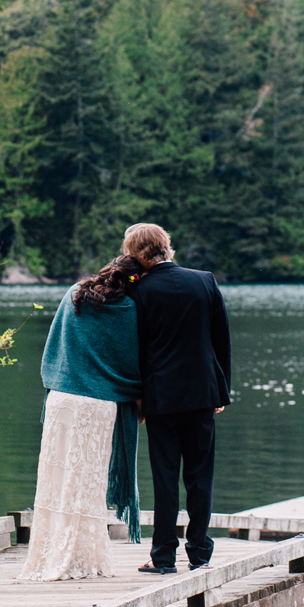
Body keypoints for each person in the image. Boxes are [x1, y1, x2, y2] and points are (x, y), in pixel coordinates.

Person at [19, 255, 144, 581]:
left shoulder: (75, 293)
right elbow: (132, 364)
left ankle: (48, 557)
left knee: (55, 481)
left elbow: (55, 347)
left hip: (61, 399)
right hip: (97, 405)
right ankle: (78, 559)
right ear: (136, 280)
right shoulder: (129, 310)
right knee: (85, 484)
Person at [125, 223, 231, 575]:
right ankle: (200, 554)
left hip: (161, 397)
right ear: (166, 246)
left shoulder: (139, 290)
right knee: (201, 476)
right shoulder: (204, 280)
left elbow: (135, 350)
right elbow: (221, 340)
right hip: (203, 393)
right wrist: (222, 390)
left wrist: (137, 397)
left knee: (165, 478)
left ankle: (164, 557)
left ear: (135, 253)